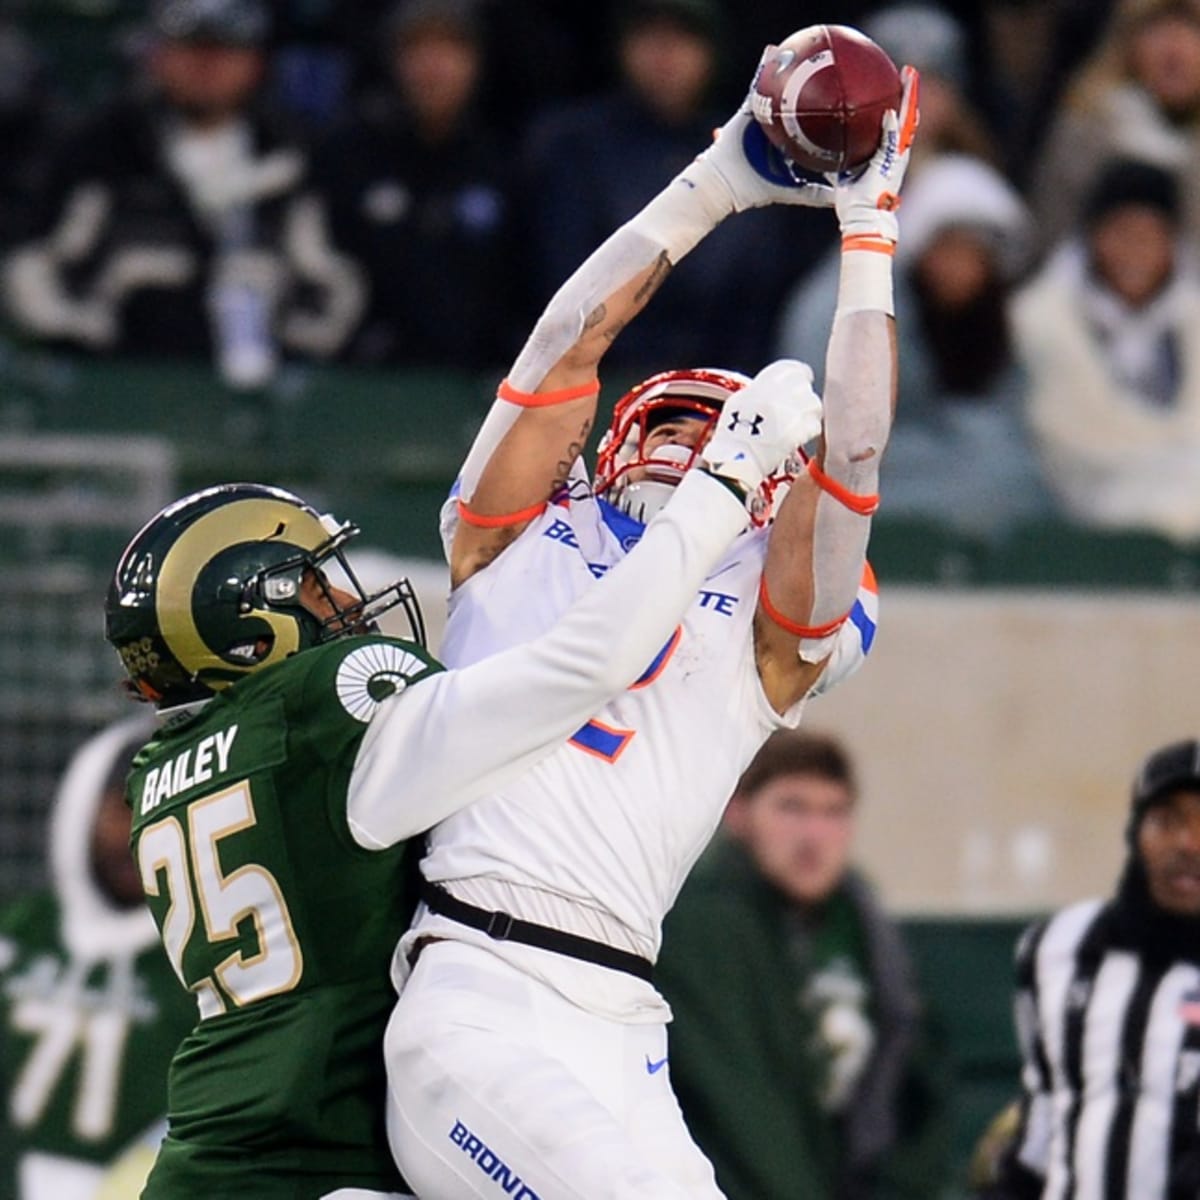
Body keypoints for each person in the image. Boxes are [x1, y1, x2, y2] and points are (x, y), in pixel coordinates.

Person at [383, 57, 920, 1200]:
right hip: (479, 982)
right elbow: (565, 343)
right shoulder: (517, 535)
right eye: (670, 422)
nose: (686, 449)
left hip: (625, 1019)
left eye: (718, 434)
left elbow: (857, 456)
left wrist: (870, 226)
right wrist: (718, 180)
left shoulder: (767, 636)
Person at [101, 373, 815, 1199]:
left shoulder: (167, 766)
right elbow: (579, 667)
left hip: (239, 1136)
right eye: (313, 584)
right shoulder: (324, 713)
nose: (347, 604)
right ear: (249, 628)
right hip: (302, 1153)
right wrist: (726, 478)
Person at [655, 729, 954, 1200]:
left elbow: (917, 1086)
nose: (814, 836)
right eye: (791, 807)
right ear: (737, 813)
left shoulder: (860, 918)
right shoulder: (705, 921)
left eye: (833, 812)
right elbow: (742, 1114)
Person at [1, 0, 363, 388]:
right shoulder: (102, 149)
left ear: (255, 64)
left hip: (262, 395)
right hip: (121, 387)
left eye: (223, 52)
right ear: (159, 58)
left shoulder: (296, 156)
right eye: (191, 50)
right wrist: (85, 341)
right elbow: (33, 265)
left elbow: (337, 278)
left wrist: (292, 351)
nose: (206, 67)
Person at [778, 151, 1051, 540]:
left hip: (957, 468)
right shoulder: (845, 307)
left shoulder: (986, 318)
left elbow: (1010, 418)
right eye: (951, 247)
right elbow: (824, 439)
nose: (963, 267)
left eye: (977, 254)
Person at [972, 738, 1200, 1200]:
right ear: (1137, 832)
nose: (1188, 843)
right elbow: (1046, 1114)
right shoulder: (1059, 947)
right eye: (1167, 819)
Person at [0, 718, 195, 1200]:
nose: (136, 833)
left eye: (158, 813)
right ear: (83, 805)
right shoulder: (20, 934)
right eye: (123, 807)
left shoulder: (208, 962)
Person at [310, 0, 525, 368]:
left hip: (482, 381)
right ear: (392, 59)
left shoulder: (504, 163)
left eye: (451, 47)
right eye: (417, 47)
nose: (434, 66)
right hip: (363, 379)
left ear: (477, 61)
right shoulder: (348, 157)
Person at [1012, 157, 1200, 540]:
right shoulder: (1038, 320)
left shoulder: (1191, 319)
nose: (1136, 251)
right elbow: (1063, 440)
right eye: (1123, 234)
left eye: (1151, 236)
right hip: (1084, 507)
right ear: (1094, 236)